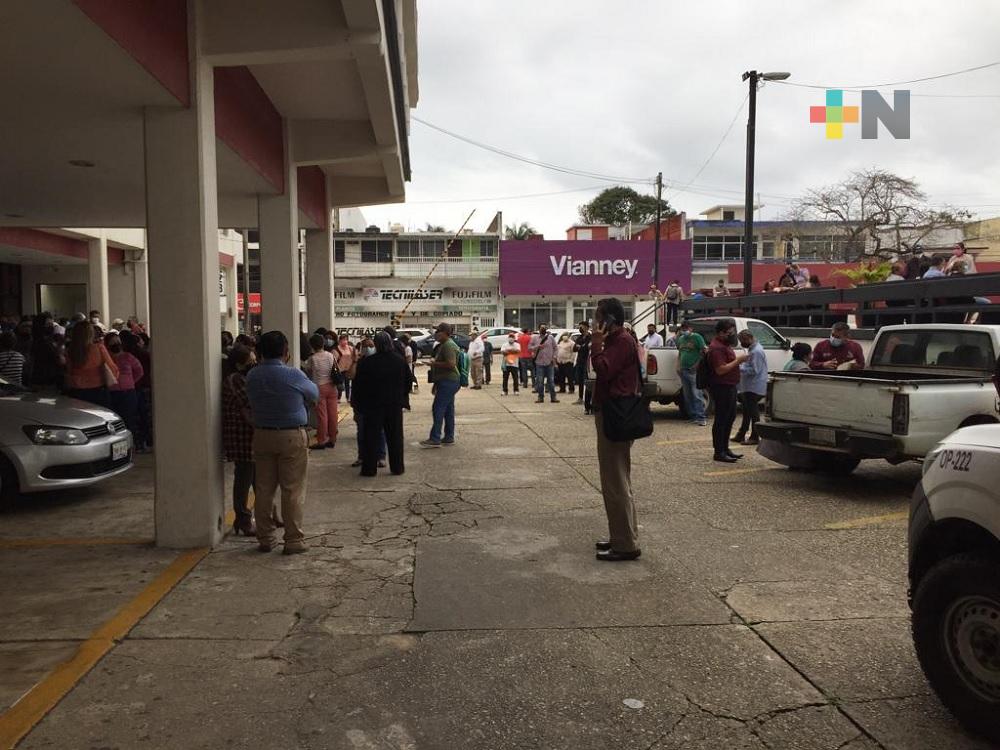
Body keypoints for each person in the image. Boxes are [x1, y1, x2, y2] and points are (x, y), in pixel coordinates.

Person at [244, 331, 319, 555]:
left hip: (261, 435)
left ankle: (265, 538)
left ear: (259, 351)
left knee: (264, 489)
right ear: (286, 351)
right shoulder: (293, 375)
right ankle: (293, 539)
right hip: (291, 436)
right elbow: (314, 395)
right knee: (292, 489)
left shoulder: (252, 376)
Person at [590, 297, 642, 562]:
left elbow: (603, 370)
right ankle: (622, 535)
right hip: (612, 413)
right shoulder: (619, 340)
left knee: (615, 481)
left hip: (615, 414)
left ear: (608, 318)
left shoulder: (620, 341)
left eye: (598, 316)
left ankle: (625, 544)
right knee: (617, 478)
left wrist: (596, 344)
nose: (594, 321)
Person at [351, 331, 409, 476]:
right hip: (394, 405)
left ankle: (369, 469)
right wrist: (401, 397)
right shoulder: (399, 360)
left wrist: (357, 404)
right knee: (395, 437)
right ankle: (397, 468)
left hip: (373, 406)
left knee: (371, 437)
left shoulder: (367, 362)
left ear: (376, 344)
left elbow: (358, 385)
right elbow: (408, 382)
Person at [222, 345, 257, 536]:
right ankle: (242, 518)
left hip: (250, 435)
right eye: (250, 362)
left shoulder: (243, 378)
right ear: (238, 364)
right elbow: (250, 400)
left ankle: (268, 514)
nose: (253, 364)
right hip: (241, 436)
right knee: (244, 479)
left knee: (258, 479)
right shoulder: (235, 380)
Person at [706, 318, 747, 463]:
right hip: (721, 386)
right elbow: (720, 369)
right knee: (721, 420)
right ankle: (719, 452)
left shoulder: (725, 345)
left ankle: (725, 448)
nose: (732, 335)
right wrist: (738, 361)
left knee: (730, 417)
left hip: (730, 386)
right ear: (721, 333)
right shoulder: (717, 348)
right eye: (729, 333)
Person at [420, 323, 461, 447]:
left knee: (438, 408)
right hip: (446, 381)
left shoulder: (448, 345)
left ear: (444, 332)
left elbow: (451, 364)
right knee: (448, 409)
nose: (436, 334)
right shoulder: (444, 345)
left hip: (449, 381)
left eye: (438, 331)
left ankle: (435, 438)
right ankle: (448, 436)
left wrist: (433, 364)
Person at [64, 321, 118, 408]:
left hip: (76, 391)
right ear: (91, 333)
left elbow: (69, 371)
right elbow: (113, 369)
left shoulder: (70, 351)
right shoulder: (99, 348)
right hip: (98, 391)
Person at [105, 332, 144, 441]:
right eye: (113, 343)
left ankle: (131, 445)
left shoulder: (128, 357)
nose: (116, 344)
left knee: (129, 420)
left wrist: (130, 382)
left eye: (118, 342)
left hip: (128, 393)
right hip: (112, 393)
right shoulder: (106, 358)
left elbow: (139, 371)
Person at [303, 333, 339, 450]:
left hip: (319, 388)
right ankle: (332, 439)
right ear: (323, 343)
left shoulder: (312, 358)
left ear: (312, 345)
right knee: (333, 414)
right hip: (332, 387)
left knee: (322, 416)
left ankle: (321, 440)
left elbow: (308, 372)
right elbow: (335, 368)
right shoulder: (330, 355)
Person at [734, 330, 767, 446]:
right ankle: (741, 433)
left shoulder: (756, 351)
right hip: (749, 386)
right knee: (747, 411)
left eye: (743, 341)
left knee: (753, 412)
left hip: (754, 386)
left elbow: (754, 370)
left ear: (749, 338)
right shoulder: (752, 350)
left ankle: (755, 436)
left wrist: (738, 366)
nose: (742, 343)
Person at [122, 330, 152, 452]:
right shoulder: (143, 354)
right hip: (142, 387)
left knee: (135, 416)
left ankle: (137, 442)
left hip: (133, 388)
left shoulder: (127, 356)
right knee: (143, 415)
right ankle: (143, 442)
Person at [675, 320, 707, 426]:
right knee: (687, 395)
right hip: (683, 369)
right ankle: (693, 416)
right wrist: (678, 365)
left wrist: (697, 365)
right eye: (683, 329)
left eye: (686, 328)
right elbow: (680, 353)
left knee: (697, 394)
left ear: (691, 328)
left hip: (694, 371)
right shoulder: (681, 339)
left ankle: (701, 417)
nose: (684, 331)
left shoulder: (697, 337)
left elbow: (704, 352)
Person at [531, 324, 558, 403]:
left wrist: (554, 357)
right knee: (540, 381)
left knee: (551, 381)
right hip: (539, 363)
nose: (543, 329)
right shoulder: (535, 338)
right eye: (541, 328)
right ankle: (540, 397)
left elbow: (555, 348)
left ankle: (553, 397)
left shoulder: (551, 338)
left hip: (549, 362)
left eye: (544, 328)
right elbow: (529, 347)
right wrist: (537, 347)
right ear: (538, 329)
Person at [573, 321, 593, 413]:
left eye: (582, 327)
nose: (580, 328)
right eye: (579, 326)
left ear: (586, 327)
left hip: (587, 361)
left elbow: (587, 347)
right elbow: (574, 348)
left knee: (587, 382)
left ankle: (589, 402)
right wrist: (581, 346)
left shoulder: (590, 337)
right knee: (580, 380)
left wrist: (581, 347)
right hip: (580, 361)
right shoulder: (580, 337)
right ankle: (580, 397)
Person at [336, 334, 357, 401]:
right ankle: (338, 398)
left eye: (345, 339)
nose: (344, 341)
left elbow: (354, 356)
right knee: (340, 383)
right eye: (342, 340)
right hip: (340, 368)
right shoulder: (337, 348)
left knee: (347, 383)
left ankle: (348, 397)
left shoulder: (350, 348)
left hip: (348, 368)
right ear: (340, 341)